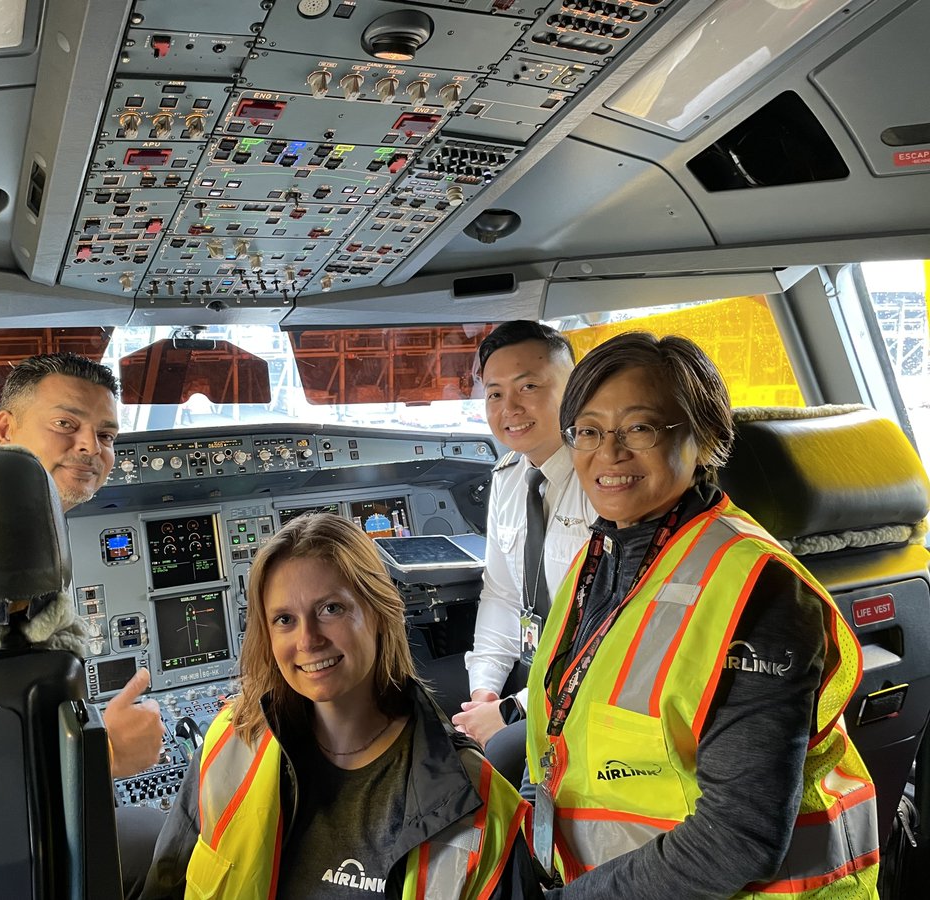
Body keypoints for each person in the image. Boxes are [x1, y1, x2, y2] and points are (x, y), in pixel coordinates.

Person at [526, 332, 878, 897]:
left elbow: (739, 836)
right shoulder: (603, 558)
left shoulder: (754, 590)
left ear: (707, 436)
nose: (609, 453)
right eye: (588, 431)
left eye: (638, 428)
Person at [143, 512, 535, 899]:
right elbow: (166, 887)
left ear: (381, 614)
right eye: (284, 619)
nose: (308, 640)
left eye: (331, 609)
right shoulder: (227, 745)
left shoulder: (481, 798)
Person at [0, 353, 166, 892]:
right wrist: (101, 755)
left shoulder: (28, 538)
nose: (92, 447)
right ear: (5, 428)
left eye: (107, 434)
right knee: (174, 844)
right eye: (66, 424)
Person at [451, 322, 595, 783]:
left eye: (529, 386)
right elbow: (502, 595)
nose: (509, 408)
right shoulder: (509, 477)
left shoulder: (605, 482)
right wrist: (486, 693)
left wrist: (514, 712)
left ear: (573, 389)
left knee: (477, 773)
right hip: (535, 679)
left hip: (590, 693)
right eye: (494, 394)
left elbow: (608, 630)